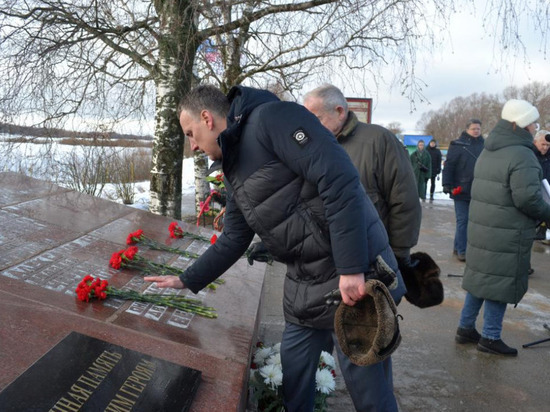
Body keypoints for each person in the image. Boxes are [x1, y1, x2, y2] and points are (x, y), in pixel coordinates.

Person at [145, 84, 407, 412]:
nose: (193, 145)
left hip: (354, 275)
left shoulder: (272, 119)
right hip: (306, 284)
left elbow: (339, 180)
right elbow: (233, 238)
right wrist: (186, 279)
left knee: (368, 390)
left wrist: (351, 268)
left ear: (207, 118)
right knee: (294, 373)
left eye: (190, 133)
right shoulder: (233, 167)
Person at [455, 99, 550, 356]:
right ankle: (490, 337)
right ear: (518, 124)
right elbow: (528, 199)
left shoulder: (489, 149)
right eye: (532, 123)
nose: (535, 128)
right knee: (499, 282)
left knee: (480, 280)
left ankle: (465, 328)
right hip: (507, 232)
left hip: (484, 228)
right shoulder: (522, 155)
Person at [303, 84, 421, 279]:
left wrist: (398, 255)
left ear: (339, 112)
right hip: (323, 262)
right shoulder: (311, 146)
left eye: (316, 119)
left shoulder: (380, 141)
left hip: (370, 260)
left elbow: (404, 200)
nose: (310, 126)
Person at [442, 119, 484, 262]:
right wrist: (446, 184)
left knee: (469, 221)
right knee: (463, 220)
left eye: (478, 129)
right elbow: (449, 165)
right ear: (467, 129)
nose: (476, 131)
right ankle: (462, 250)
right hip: (461, 188)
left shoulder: (484, 145)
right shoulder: (458, 145)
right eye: (473, 129)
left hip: (478, 189)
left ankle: (457, 246)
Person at [533, 129, 550, 241]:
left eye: (548, 145)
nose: (545, 147)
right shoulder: (529, 155)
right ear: (535, 142)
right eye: (542, 144)